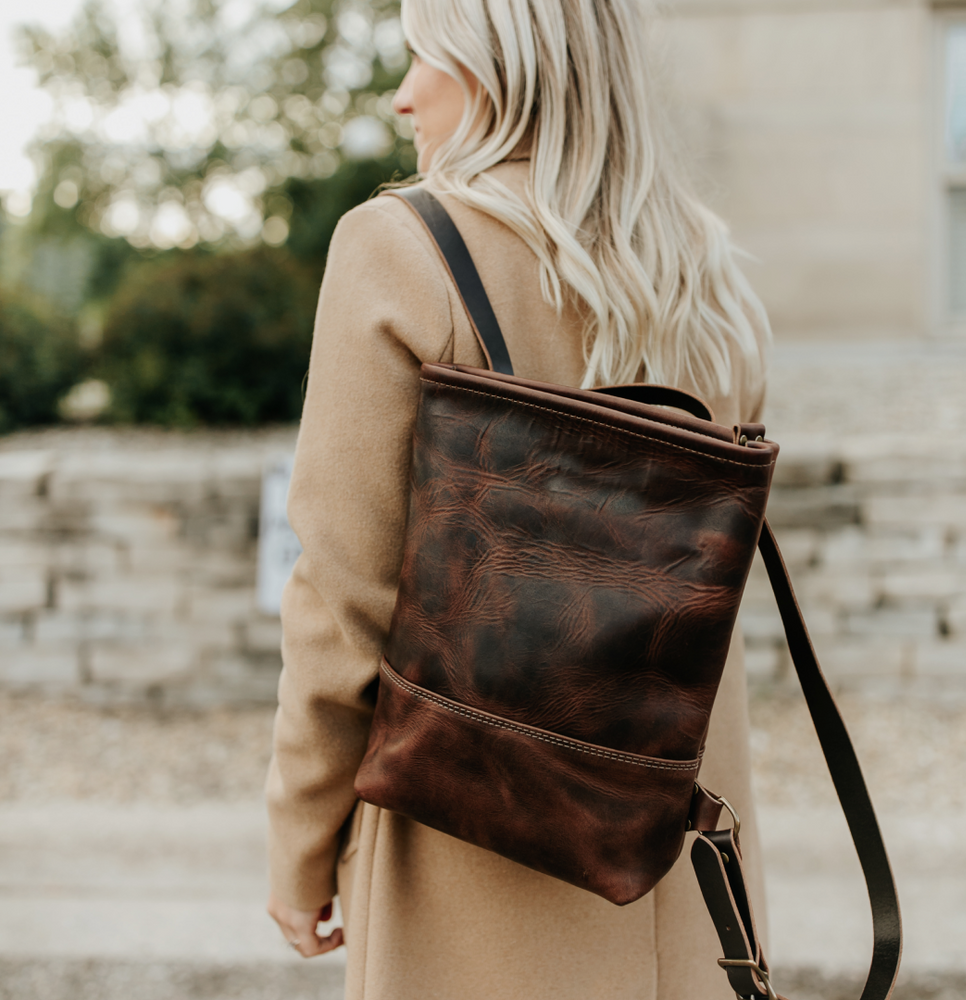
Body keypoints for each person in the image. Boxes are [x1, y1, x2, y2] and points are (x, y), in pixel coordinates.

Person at [266, 0, 771, 996]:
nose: (403, 94)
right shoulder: (705, 272)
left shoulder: (399, 248)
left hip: (474, 839)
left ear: (500, 64)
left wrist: (299, 839)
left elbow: (344, 599)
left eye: (423, 55)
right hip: (676, 843)